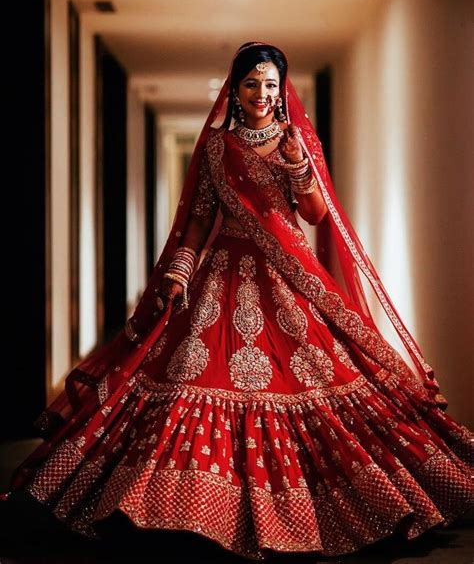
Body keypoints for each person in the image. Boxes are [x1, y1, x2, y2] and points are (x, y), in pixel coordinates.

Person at [3, 41, 473, 561]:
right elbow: (201, 216)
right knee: (187, 373)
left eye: (271, 84)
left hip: (288, 275)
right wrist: (180, 271)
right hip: (223, 274)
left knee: (321, 372)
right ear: (236, 88)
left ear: (281, 89)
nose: (262, 93)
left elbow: (316, 215)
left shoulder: (298, 139)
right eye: (252, 83)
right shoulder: (217, 146)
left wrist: (299, 166)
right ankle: (181, 508)